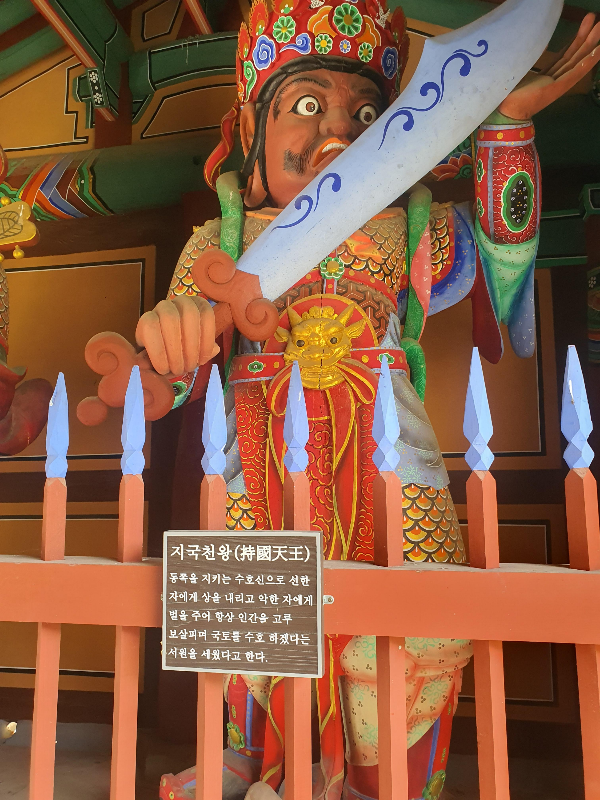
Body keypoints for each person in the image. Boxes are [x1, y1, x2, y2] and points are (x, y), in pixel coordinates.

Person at [145, 3, 600, 799]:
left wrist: (506, 129)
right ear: (251, 125)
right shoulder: (222, 243)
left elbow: (505, 265)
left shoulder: (410, 227)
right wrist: (169, 335)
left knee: (416, 616)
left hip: (388, 446)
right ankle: (249, 753)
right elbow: (170, 379)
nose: (339, 129)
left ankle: (387, 777)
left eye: (366, 115)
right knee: (246, 604)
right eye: (308, 104)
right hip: (260, 444)